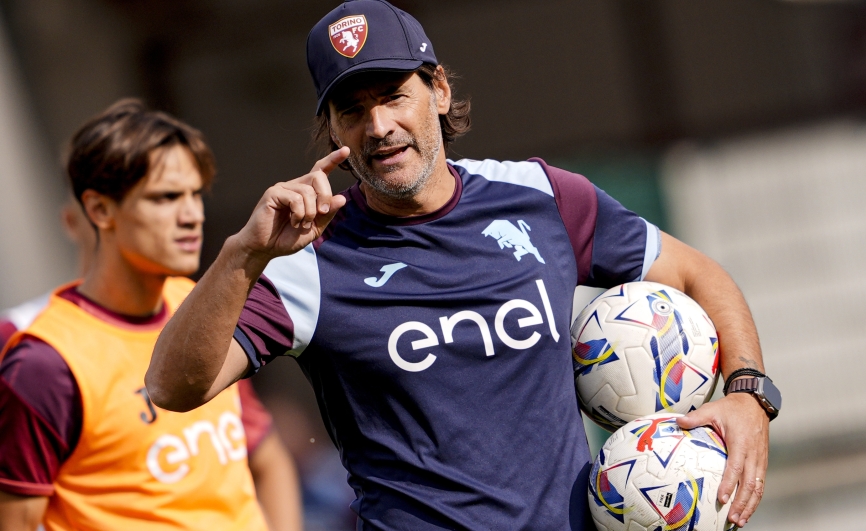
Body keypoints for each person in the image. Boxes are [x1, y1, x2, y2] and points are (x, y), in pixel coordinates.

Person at [146, 1, 780, 529]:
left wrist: (749, 394)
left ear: (439, 90)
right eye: (352, 111)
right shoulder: (302, 261)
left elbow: (700, 275)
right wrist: (241, 257)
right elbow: (174, 389)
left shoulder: (543, 198)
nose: (379, 126)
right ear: (331, 130)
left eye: (394, 96)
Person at [0, 99, 302, 531]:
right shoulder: (45, 362)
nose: (192, 215)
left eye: (196, 194)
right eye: (166, 198)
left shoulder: (200, 305)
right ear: (100, 210)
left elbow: (268, 459)